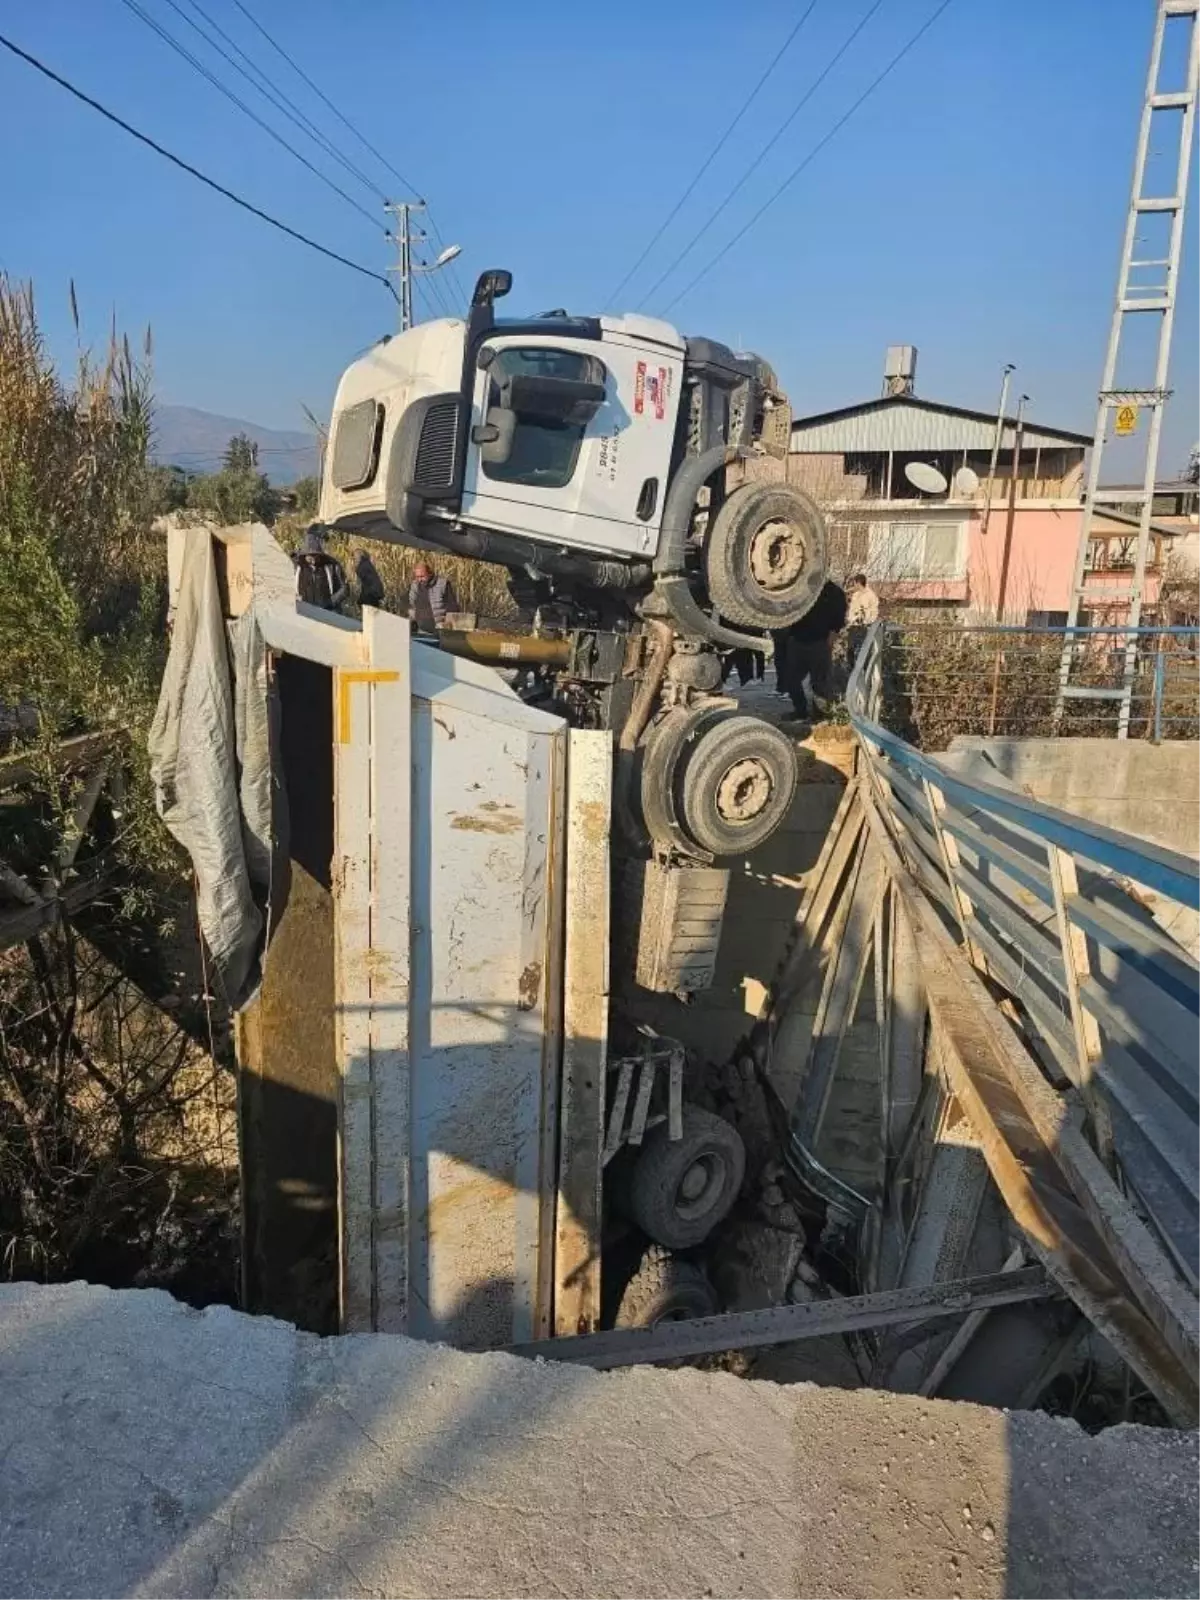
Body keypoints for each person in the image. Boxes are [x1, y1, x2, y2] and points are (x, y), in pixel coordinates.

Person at [774, 578, 848, 724]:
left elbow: (839, 617)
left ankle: (819, 715)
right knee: (791, 680)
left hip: (820, 642)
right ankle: (800, 711)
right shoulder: (798, 587)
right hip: (797, 640)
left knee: (819, 683)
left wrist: (832, 637)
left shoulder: (833, 591)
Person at [293, 527, 347, 612]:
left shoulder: (332, 566)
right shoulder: (297, 568)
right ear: (304, 555)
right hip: (305, 613)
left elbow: (344, 589)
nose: (313, 561)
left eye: (316, 556)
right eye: (310, 557)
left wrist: (331, 602)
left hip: (329, 612)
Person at [408, 561, 459, 635]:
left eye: (422, 576)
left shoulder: (443, 584)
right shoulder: (415, 586)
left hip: (439, 631)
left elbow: (453, 608)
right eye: (417, 577)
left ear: (430, 573)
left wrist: (445, 625)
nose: (420, 580)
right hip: (421, 631)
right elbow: (411, 605)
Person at [845, 572, 880, 664]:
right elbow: (852, 610)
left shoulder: (871, 596)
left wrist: (867, 620)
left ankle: (862, 669)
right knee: (850, 650)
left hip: (864, 627)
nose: (854, 586)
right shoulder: (855, 595)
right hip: (853, 626)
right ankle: (851, 669)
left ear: (858, 583)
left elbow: (874, 612)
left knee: (862, 651)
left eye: (854, 583)